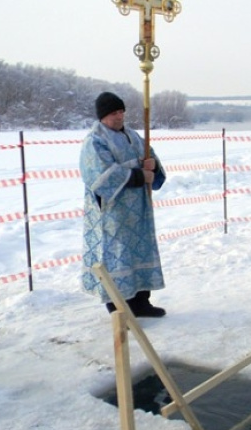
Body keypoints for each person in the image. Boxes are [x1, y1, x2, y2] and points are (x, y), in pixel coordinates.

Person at [80, 92, 167, 317]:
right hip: (113, 212)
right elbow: (100, 176)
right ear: (103, 116)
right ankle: (119, 309)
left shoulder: (133, 135)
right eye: (113, 113)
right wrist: (140, 176)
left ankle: (141, 303)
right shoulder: (95, 140)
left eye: (121, 112)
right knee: (116, 256)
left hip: (139, 210)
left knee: (139, 253)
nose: (119, 117)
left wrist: (153, 165)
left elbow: (151, 161)